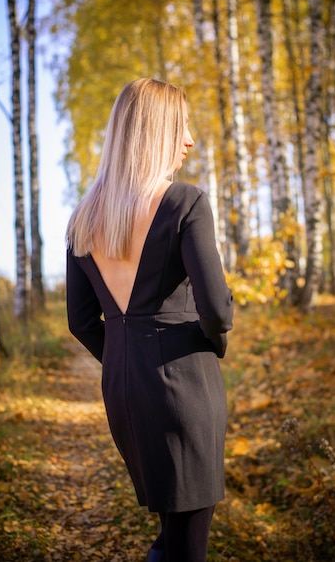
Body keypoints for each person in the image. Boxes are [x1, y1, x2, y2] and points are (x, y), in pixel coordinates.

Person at [66, 77, 234, 562]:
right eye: (180, 127)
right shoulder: (185, 203)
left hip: (124, 390)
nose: (189, 140)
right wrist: (212, 346)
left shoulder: (82, 219)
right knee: (188, 543)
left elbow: (81, 321)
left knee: (173, 530)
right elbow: (217, 309)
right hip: (185, 387)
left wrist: (126, 358)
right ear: (155, 132)